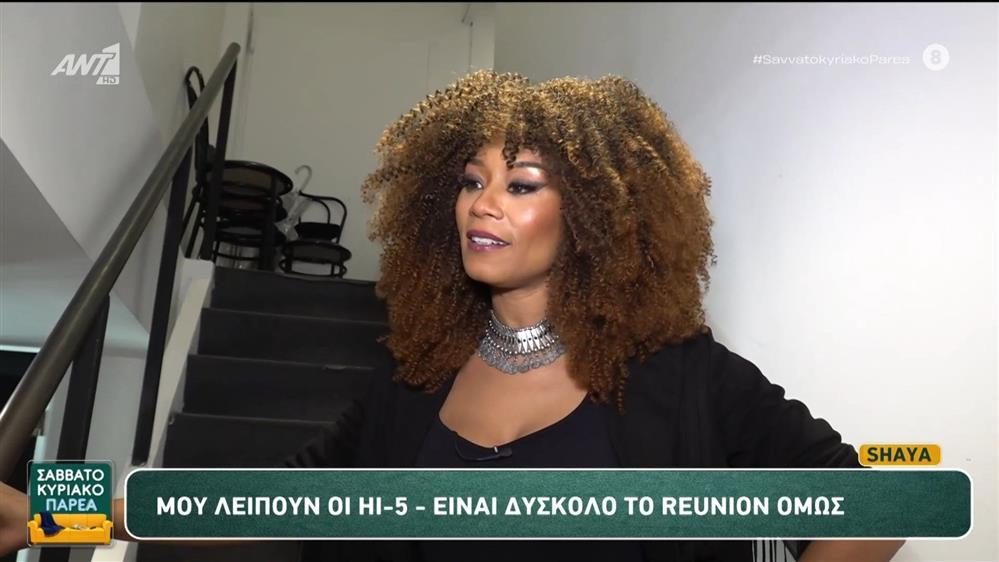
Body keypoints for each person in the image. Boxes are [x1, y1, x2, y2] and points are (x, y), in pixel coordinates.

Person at [0, 69, 905, 562]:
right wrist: (48, 508)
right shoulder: (413, 385)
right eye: (472, 182)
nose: (483, 204)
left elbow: (884, 500)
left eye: (521, 184)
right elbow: (256, 502)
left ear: (596, 213)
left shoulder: (681, 373)